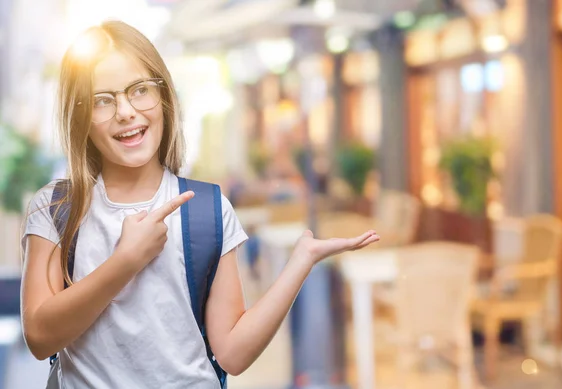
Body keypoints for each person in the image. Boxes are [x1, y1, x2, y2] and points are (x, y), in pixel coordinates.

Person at [20, 20, 380, 389]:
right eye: (102, 100)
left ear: (164, 96)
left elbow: (233, 355)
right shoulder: (56, 209)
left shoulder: (207, 209)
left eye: (139, 90)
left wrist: (301, 260)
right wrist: (125, 261)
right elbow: (39, 336)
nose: (125, 111)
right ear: (80, 116)